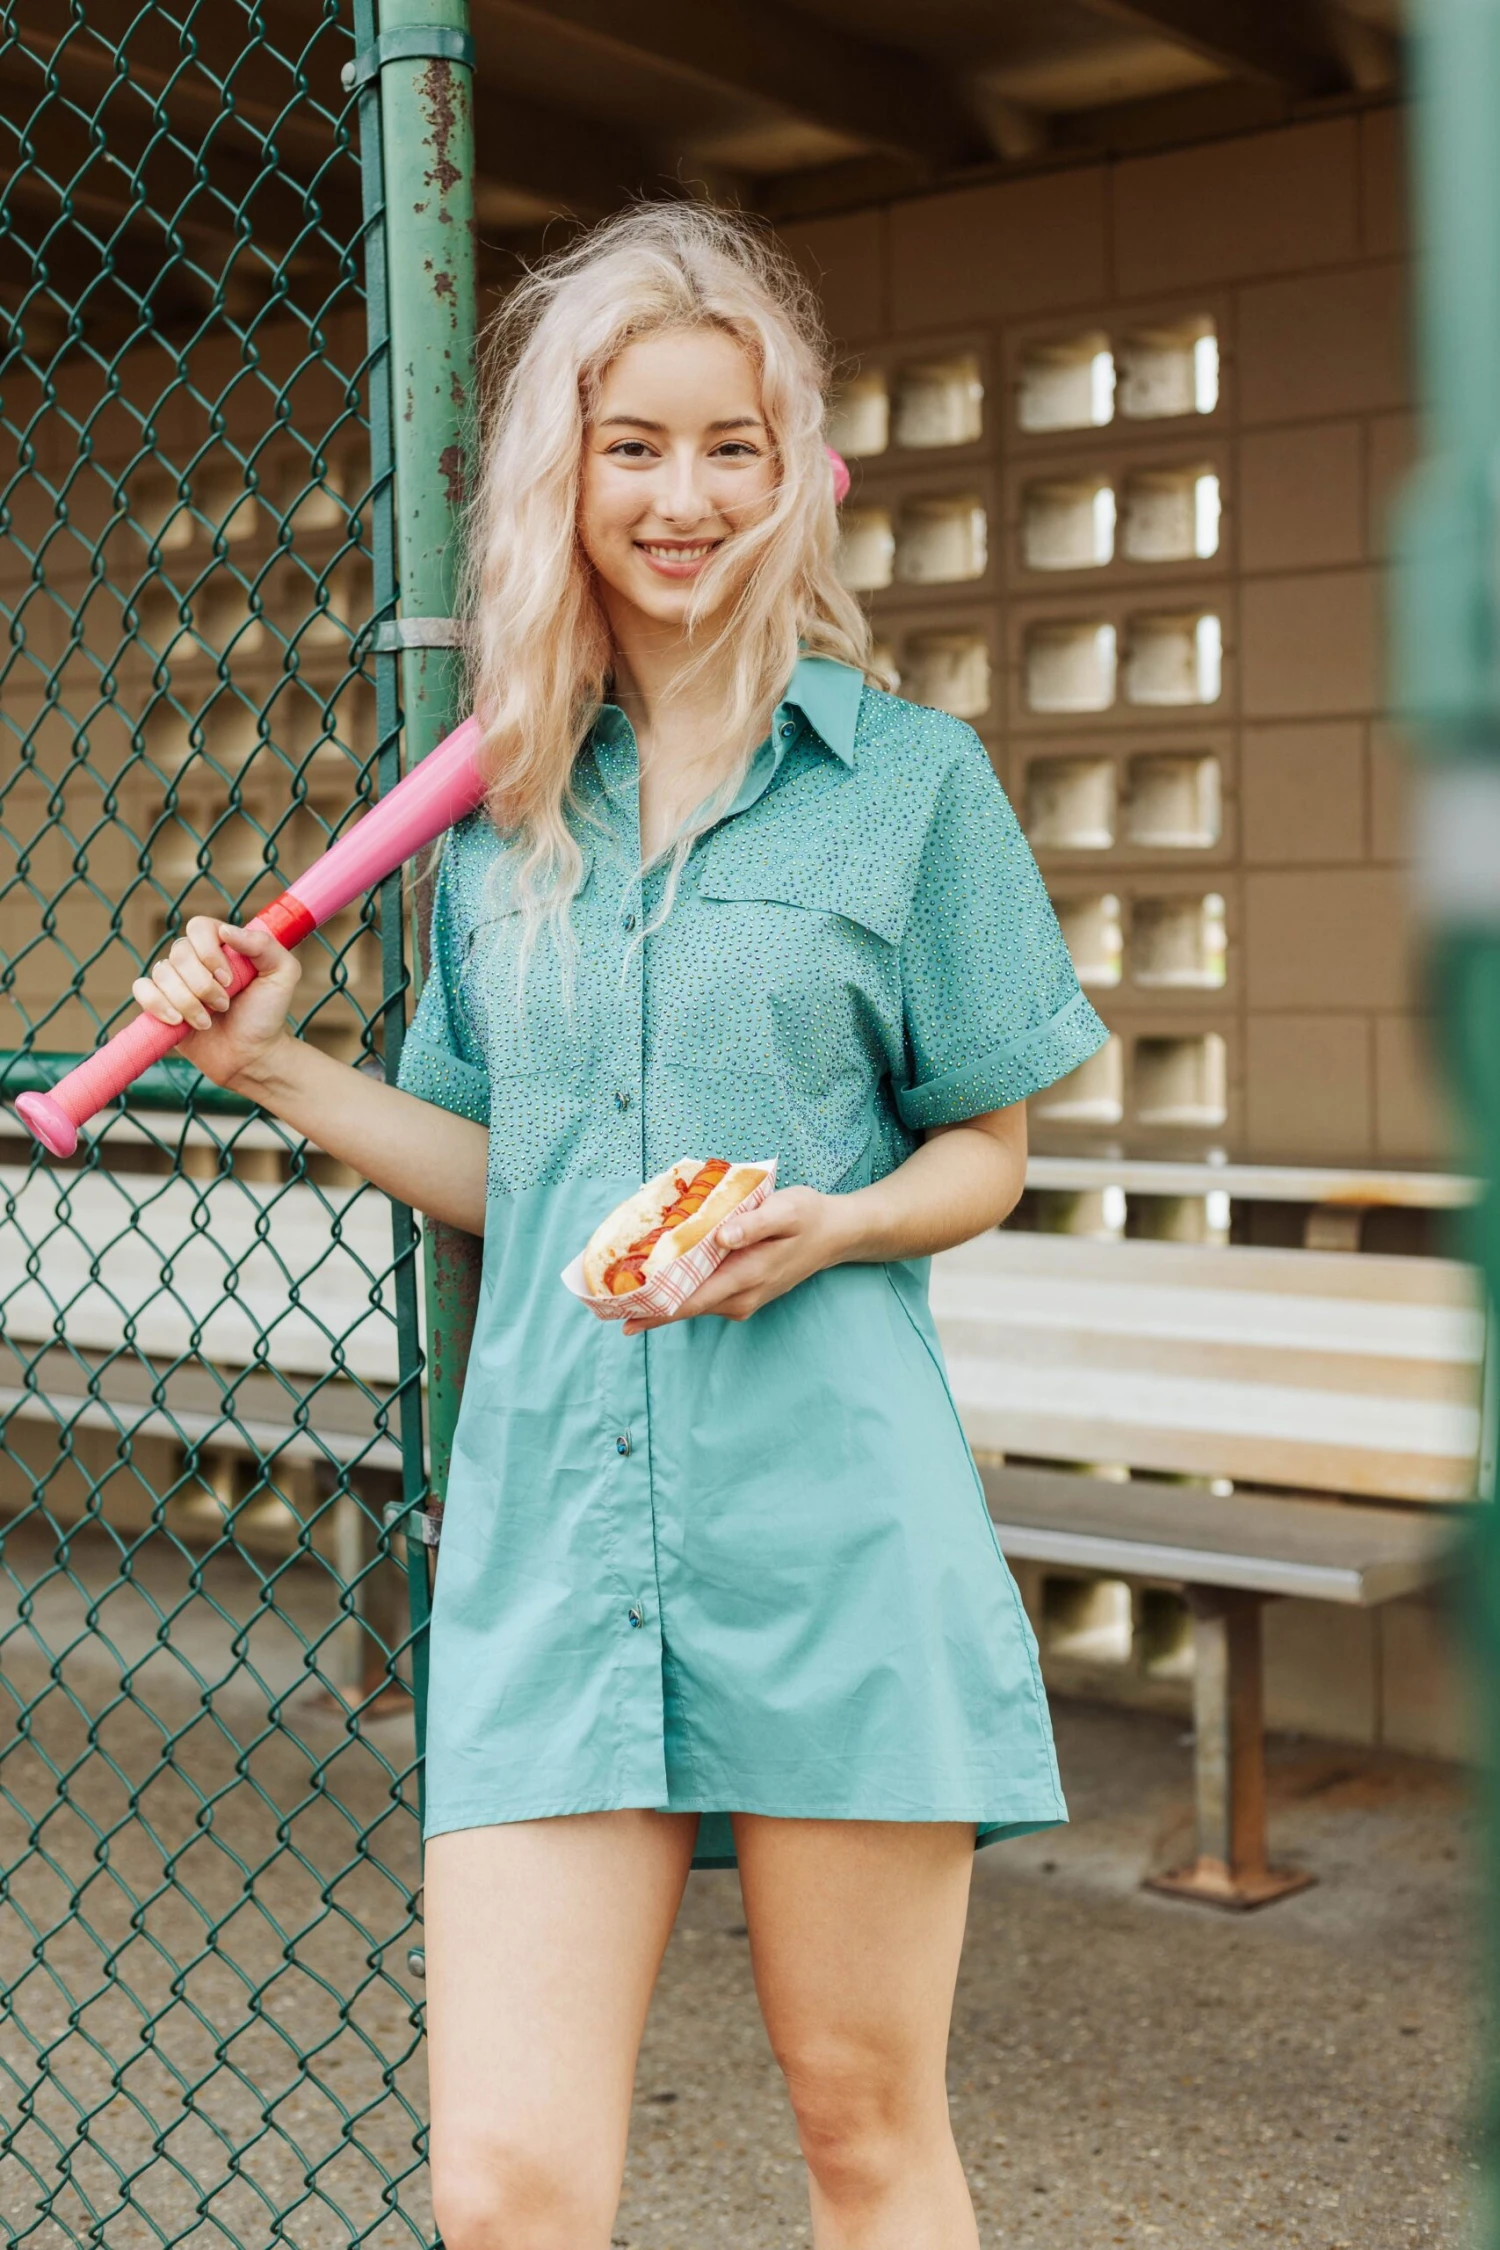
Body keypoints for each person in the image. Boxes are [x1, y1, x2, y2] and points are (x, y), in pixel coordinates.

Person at [133, 203, 1108, 2250]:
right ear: (559, 480)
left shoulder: (910, 786)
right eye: (633, 446)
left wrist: (838, 1222)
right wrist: (279, 1068)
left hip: (832, 1529)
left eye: (731, 446)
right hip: (553, 1546)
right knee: (503, 2190)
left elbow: (989, 1151)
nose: (684, 497)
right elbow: (524, 1179)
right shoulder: (499, 818)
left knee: (864, 2129)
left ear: (795, 471)